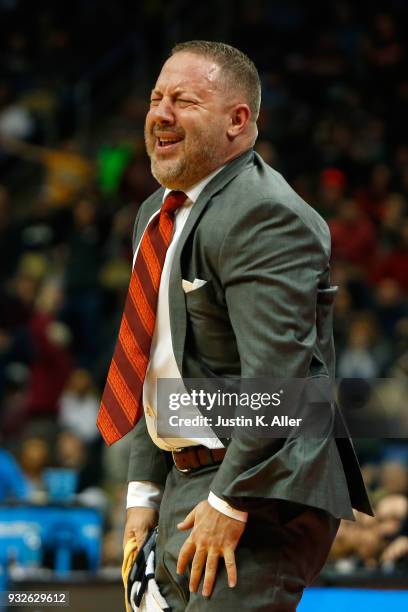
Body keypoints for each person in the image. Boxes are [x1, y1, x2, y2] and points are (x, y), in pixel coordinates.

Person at [97, 41, 373, 610]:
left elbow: (281, 383)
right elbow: (156, 361)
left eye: (184, 100)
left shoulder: (262, 213)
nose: (161, 113)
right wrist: (144, 493)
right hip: (187, 479)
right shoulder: (157, 213)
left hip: (257, 490)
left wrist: (231, 502)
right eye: (155, 98)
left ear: (237, 120)